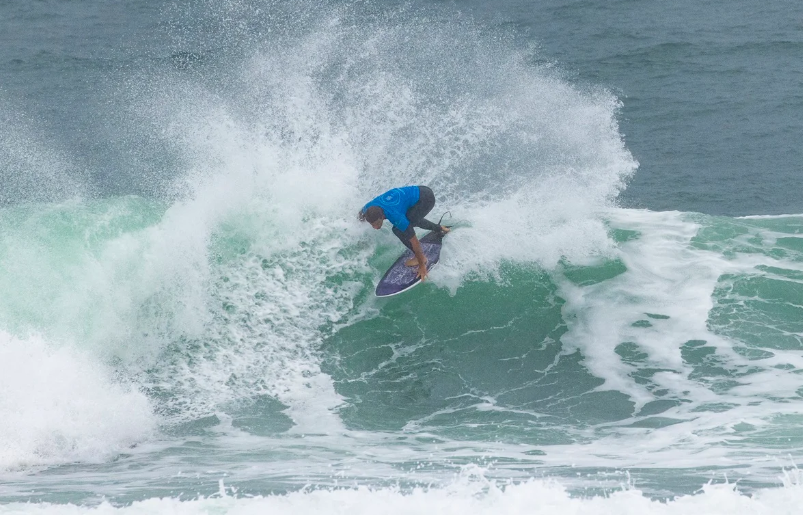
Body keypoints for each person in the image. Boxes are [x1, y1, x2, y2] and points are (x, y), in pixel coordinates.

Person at [359, 185, 449, 281]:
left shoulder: (395, 216)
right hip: (419, 192)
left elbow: (414, 241)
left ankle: (422, 258)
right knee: (411, 220)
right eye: (372, 225)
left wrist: (422, 267)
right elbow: (360, 215)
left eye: (377, 224)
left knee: (400, 228)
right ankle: (439, 228)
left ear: (382, 216)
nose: (375, 228)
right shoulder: (368, 208)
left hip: (425, 199)